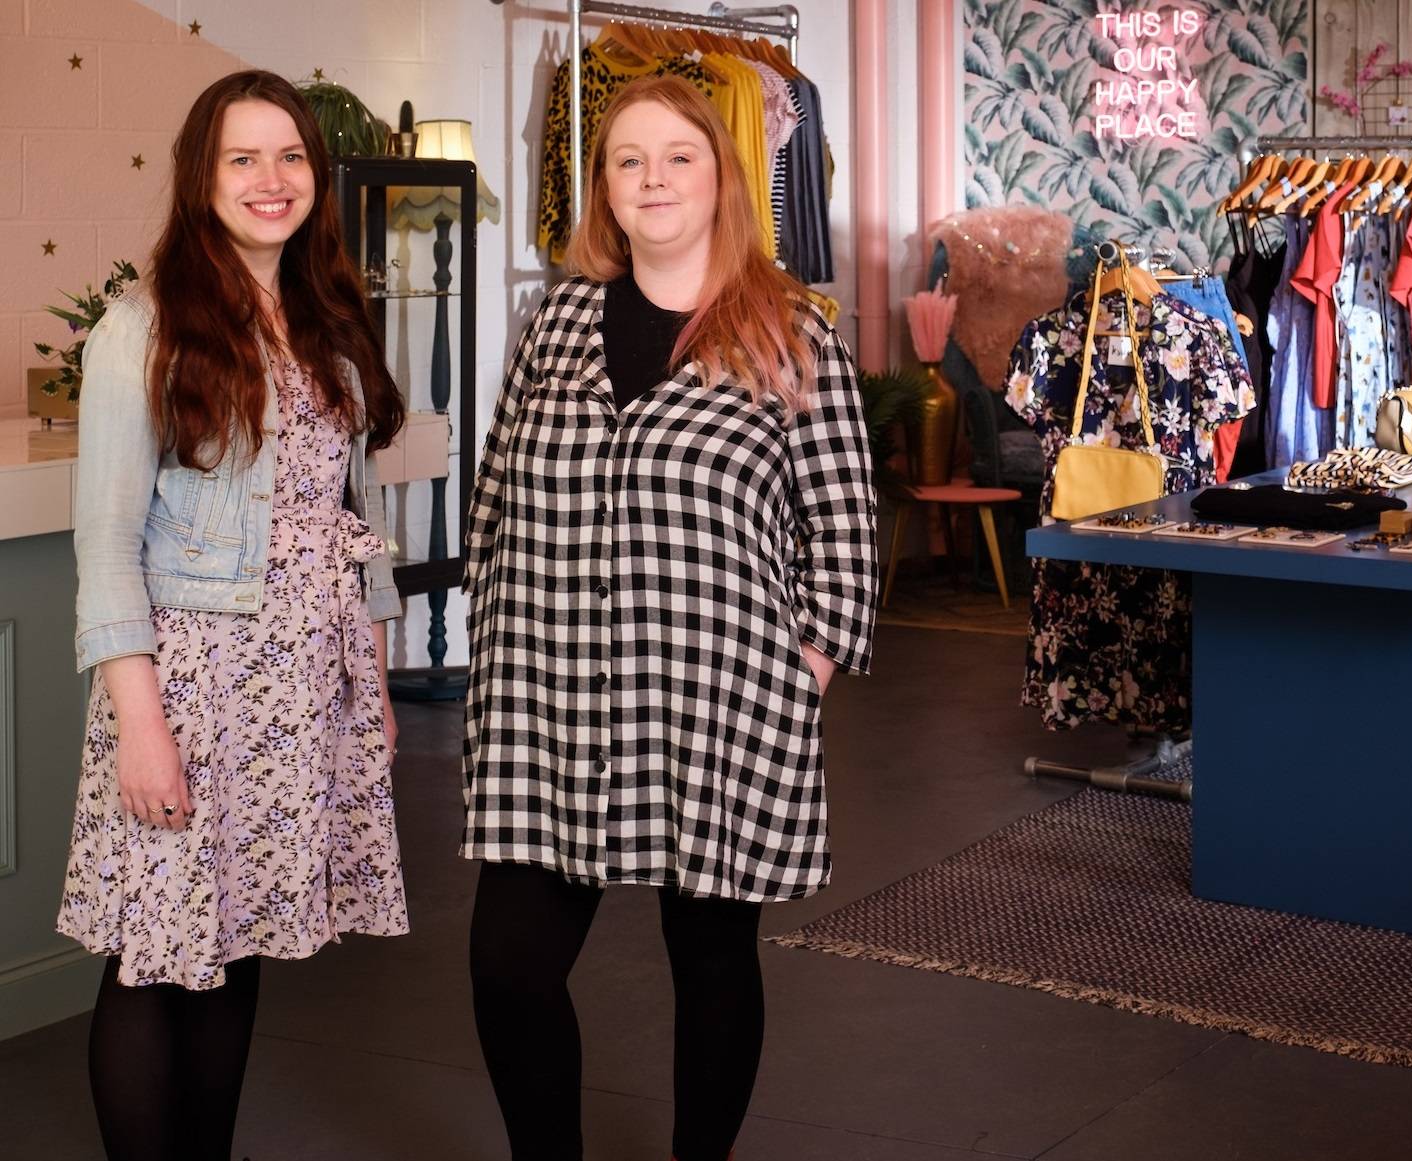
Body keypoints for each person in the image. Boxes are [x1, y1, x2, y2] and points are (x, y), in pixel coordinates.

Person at [462, 74, 878, 1161]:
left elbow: (841, 531)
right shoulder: (554, 322)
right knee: (509, 962)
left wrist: (800, 678)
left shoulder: (789, 334)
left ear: (722, 178)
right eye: (627, 160)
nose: (652, 179)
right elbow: (498, 489)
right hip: (547, 698)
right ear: (603, 186)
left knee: (709, 956)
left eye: (677, 157)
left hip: (718, 701)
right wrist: (491, 637)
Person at [59, 69, 409, 1161]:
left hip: (305, 682)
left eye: (291, 156)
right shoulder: (144, 325)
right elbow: (106, 543)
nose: (272, 180)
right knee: (154, 952)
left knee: (240, 935)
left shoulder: (326, 318)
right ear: (200, 178)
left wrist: (376, 685)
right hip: (192, 685)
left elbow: (352, 513)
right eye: (241, 158)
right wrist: (144, 727)